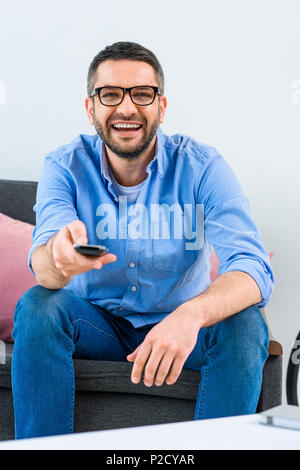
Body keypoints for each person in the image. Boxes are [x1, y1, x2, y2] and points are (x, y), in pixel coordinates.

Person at [11, 41, 274, 439]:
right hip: (96, 328)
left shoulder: (204, 167)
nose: (127, 107)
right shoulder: (64, 166)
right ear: (91, 109)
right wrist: (59, 258)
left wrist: (190, 315)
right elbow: (45, 266)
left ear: (161, 107)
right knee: (37, 305)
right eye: (110, 94)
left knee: (245, 324)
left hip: (185, 334)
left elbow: (252, 267)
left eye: (142, 94)